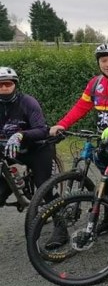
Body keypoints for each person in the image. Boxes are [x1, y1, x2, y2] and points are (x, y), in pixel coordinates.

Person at [48, 43, 108, 248]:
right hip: (104, 140)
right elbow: (81, 106)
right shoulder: (95, 83)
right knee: (107, 180)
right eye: (104, 60)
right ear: (99, 63)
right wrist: (63, 124)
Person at [0, 67, 55, 207]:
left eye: (8, 84)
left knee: (44, 189)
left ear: (15, 85)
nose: (4, 88)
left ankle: (60, 218)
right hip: (8, 151)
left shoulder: (28, 102)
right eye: (0, 85)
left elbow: (42, 129)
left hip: (35, 149)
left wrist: (21, 135)